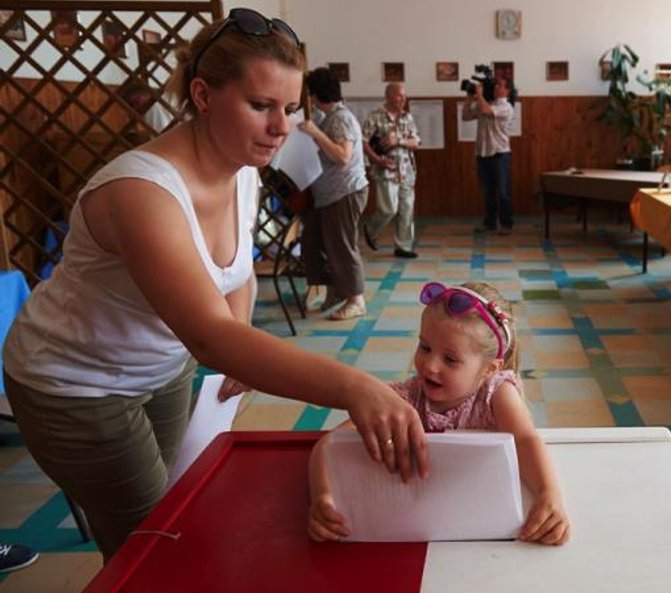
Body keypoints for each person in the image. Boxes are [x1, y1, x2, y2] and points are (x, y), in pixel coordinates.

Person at [1, 9, 427, 561]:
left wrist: (241, 332)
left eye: (292, 109)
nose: (282, 127)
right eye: (260, 106)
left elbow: (237, 273)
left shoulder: (242, 169)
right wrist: (352, 386)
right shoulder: (144, 192)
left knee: (177, 506)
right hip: (76, 384)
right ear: (203, 95)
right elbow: (207, 335)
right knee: (153, 542)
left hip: (161, 368)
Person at [308, 281, 570, 546]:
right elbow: (330, 445)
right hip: (427, 524)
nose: (429, 366)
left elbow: (525, 441)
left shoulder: (497, 392)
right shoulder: (405, 398)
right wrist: (323, 497)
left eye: (450, 359)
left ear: (490, 368)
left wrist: (549, 495)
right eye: (425, 347)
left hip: (485, 526)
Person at [297, 68, 371, 320]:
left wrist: (315, 133)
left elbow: (343, 156)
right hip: (329, 194)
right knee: (314, 242)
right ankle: (338, 290)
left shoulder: (340, 118)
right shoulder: (327, 116)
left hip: (345, 191)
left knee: (342, 246)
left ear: (316, 94)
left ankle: (356, 299)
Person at [361, 82, 421, 259]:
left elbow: (416, 142)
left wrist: (399, 142)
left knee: (407, 209)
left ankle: (403, 246)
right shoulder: (375, 117)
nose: (403, 98)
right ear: (388, 96)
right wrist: (377, 159)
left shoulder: (407, 118)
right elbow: (363, 142)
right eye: (399, 95)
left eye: (404, 95)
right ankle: (371, 230)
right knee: (388, 209)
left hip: (407, 171)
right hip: (386, 170)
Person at [461, 75, 515, 235]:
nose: (496, 87)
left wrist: (479, 95)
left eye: (500, 85)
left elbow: (485, 110)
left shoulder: (506, 107)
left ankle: (506, 224)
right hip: (483, 153)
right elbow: (465, 116)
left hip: (500, 153)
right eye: (496, 84)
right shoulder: (487, 103)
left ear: (507, 90)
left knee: (503, 192)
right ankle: (489, 223)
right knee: (488, 192)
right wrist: (469, 98)